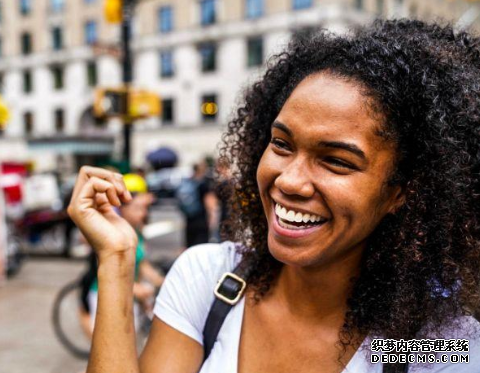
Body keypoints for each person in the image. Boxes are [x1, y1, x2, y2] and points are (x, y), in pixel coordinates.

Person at [67, 20, 480, 373]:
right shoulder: (209, 283)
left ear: (401, 192)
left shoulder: (425, 343)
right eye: (282, 144)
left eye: (336, 161)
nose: (290, 181)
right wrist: (117, 260)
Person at [77, 173, 164, 338]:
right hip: (107, 297)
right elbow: (108, 268)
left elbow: (141, 263)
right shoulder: (110, 229)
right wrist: (134, 288)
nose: (143, 214)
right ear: (123, 206)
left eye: (145, 208)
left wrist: (161, 281)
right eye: (138, 208)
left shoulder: (137, 231)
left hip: (130, 299)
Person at [176, 161, 218, 247]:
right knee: (202, 245)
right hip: (201, 219)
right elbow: (208, 201)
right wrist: (212, 216)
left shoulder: (188, 181)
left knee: (190, 244)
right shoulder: (203, 183)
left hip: (190, 218)